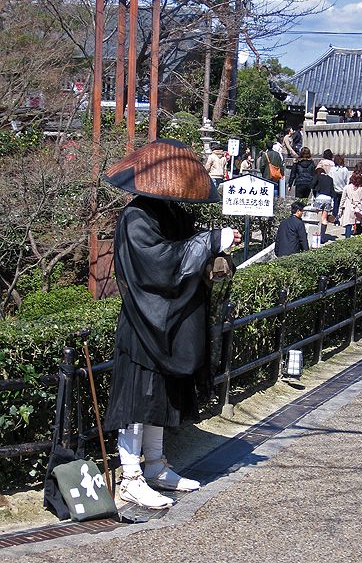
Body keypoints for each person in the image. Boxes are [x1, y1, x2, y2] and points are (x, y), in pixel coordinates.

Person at [103, 139, 241, 510]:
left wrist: (214, 249)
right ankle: (130, 475)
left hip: (166, 321)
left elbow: (186, 254)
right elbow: (160, 265)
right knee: (137, 400)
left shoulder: (171, 211)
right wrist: (210, 241)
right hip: (143, 321)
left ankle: (157, 465)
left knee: (159, 397)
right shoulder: (136, 217)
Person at [339, 171, 362, 238]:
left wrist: (340, 208)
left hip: (349, 206)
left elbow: (343, 199)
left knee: (348, 224)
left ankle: (347, 238)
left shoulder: (346, 187)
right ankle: (356, 239)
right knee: (358, 223)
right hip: (358, 207)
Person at [311, 167, 335, 244]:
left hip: (319, 198)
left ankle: (315, 235)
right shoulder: (330, 179)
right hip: (328, 199)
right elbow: (332, 191)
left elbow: (312, 185)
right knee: (324, 219)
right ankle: (322, 237)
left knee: (316, 217)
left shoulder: (317, 176)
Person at [330, 154, 349, 225]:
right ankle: (340, 218)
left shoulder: (332, 169)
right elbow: (347, 180)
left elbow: (330, 179)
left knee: (335, 204)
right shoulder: (345, 170)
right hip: (343, 190)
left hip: (335, 189)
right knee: (342, 205)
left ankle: (335, 218)